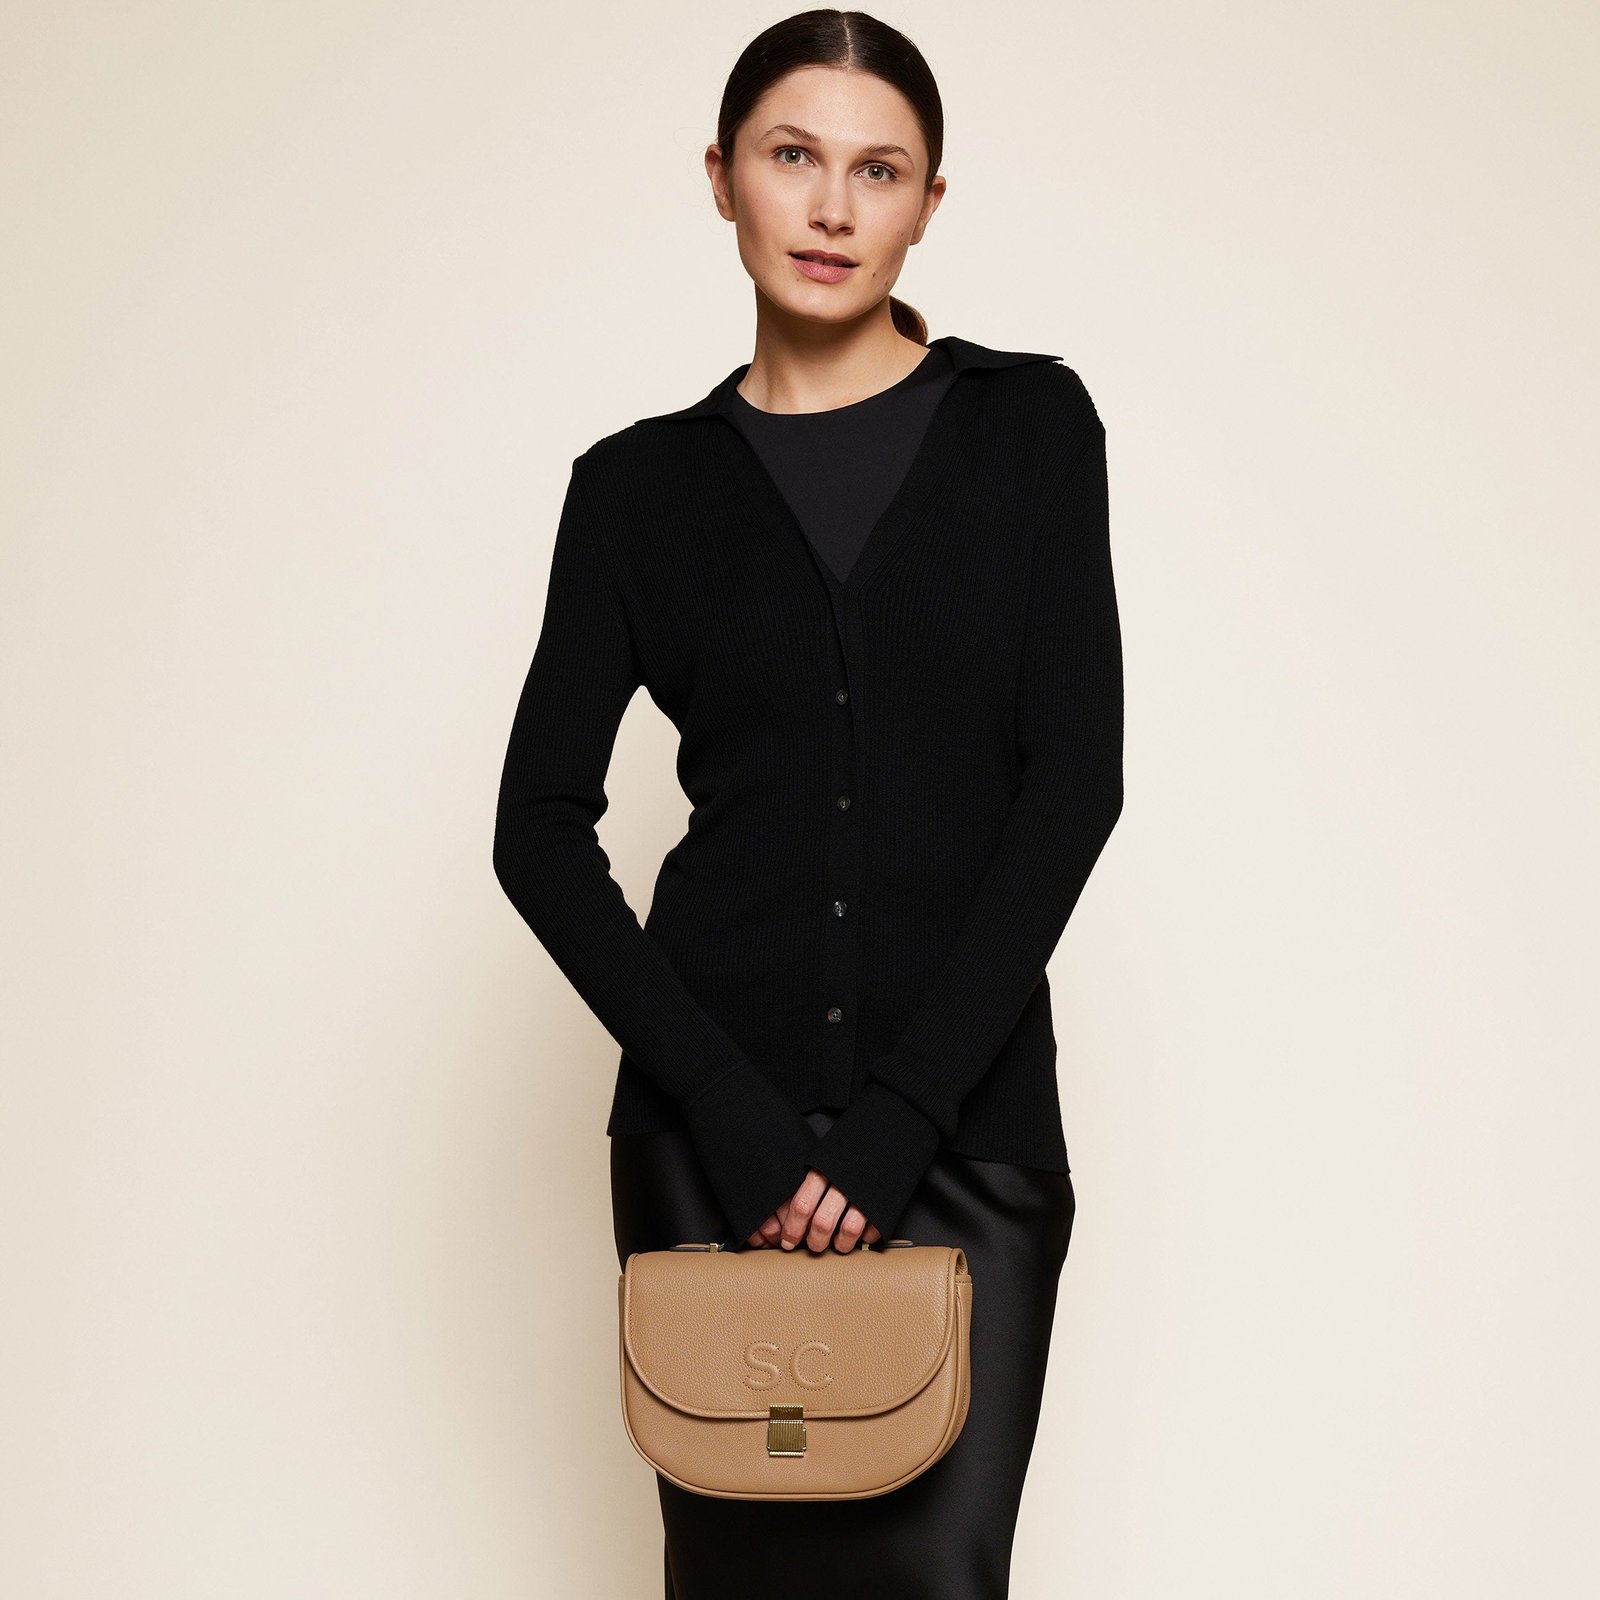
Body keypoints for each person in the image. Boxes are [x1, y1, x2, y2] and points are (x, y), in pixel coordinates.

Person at [492, 10, 1124, 1597]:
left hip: (966, 1140)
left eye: (878, 170)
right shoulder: (634, 490)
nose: (833, 207)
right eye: (794, 157)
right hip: (711, 1143)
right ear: (722, 179)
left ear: (928, 204)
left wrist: (903, 1116)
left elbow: (1074, 783)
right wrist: (730, 1108)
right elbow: (536, 826)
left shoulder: (1029, 432)